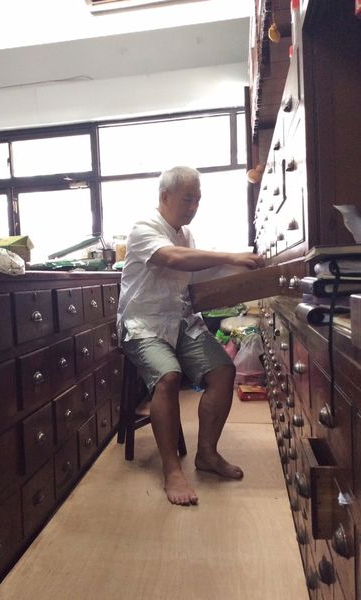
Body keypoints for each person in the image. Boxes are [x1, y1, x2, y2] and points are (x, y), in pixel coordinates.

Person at [117, 166, 265, 506]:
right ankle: (172, 470)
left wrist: (243, 268)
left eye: (198, 200)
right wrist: (230, 255)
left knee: (223, 371)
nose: (194, 207)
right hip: (141, 324)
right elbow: (172, 258)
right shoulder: (143, 228)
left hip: (179, 321)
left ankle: (207, 454)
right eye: (188, 199)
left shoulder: (186, 235)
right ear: (165, 196)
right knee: (168, 377)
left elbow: (196, 275)